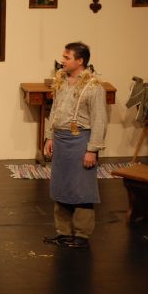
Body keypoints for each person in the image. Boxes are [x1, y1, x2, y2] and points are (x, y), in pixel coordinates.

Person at [42, 42, 108, 249]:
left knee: (81, 188)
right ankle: (63, 232)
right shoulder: (61, 81)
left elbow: (99, 120)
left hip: (80, 140)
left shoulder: (94, 87)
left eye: (67, 57)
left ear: (80, 61)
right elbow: (55, 111)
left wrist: (92, 150)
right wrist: (49, 137)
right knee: (61, 185)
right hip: (61, 140)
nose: (62, 60)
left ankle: (81, 234)